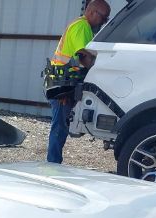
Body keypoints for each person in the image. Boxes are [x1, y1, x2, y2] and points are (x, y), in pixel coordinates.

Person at [47, 0, 111, 164]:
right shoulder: (82, 27)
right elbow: (83, 55)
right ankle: (53, 164)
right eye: (103, 17)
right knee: (59, 126)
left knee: (61, 124)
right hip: (62, 83)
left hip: (62, 80)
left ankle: (54, 162)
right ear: (92, 12)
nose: (104, 22)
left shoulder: (84, 27)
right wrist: (99, 70)